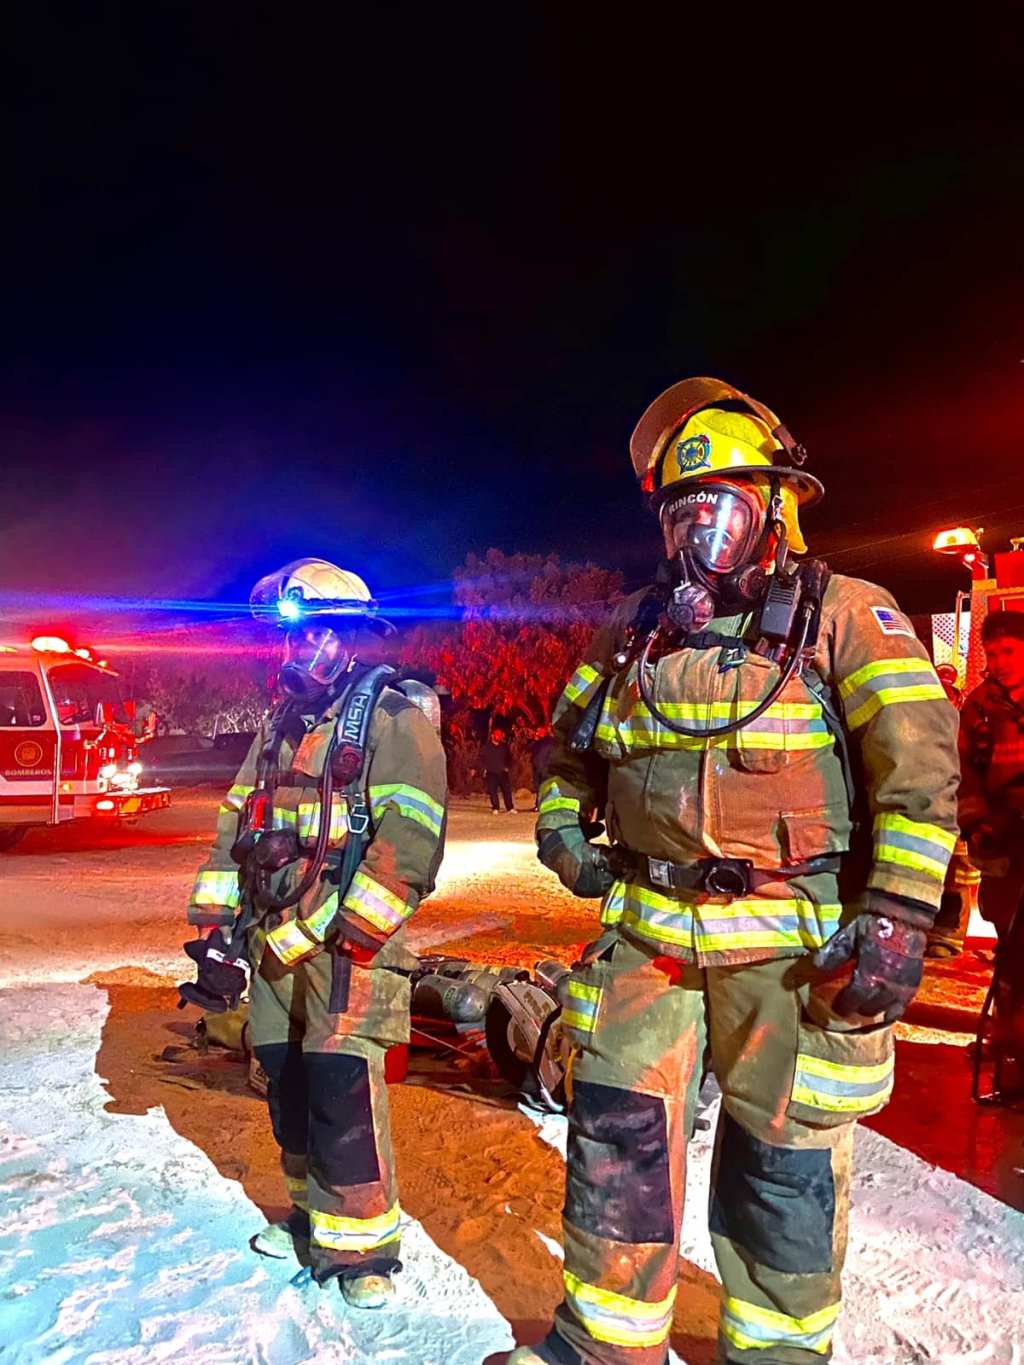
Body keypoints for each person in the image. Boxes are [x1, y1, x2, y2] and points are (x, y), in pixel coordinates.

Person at [514, 378, 959, 1365]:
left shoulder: (846, 617)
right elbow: (562, 755)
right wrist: (560, 829)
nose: (696, 531)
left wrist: (892, 919)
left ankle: (776, 1354)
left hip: (788, 955)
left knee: (781, 1169)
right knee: (617, 1151)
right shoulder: (631, 633)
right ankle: (604, 1343)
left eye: (717, 503)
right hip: (645, 944)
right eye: (680, 510)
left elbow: (919, 780)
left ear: (776, 504)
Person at [179, 558, 447, 1309]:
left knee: (341, 1087)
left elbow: (411, 840)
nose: (297, 654)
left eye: (314, 637)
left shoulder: (395, 718)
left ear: (350, 637)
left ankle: (361, 1252)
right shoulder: (278, 725)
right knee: (281, 1073)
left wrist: (341, 929)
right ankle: (309, 1214)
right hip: (273, 935)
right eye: (289, 642)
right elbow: (236, 821)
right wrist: (216, 927)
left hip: (345, 945)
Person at [958, 611, 1024, 941]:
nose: (1000, 662)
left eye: (1009, 651)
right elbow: (964, 772)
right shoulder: (978, 707)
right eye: (992, 653)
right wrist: (977, 824)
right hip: (1002, 833)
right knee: (1008, 928)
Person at [926, 664, 981, 959]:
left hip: (961, 810)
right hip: (933, 810)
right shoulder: (920, 726)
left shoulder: (967, 723)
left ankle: (948, 936)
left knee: (958, 877)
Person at [482, 725, 516, 813]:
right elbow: (481, 758)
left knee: (507, 791)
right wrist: (483, 769)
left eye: (500, 735)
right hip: (491, 772)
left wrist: (508, 767)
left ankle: (510, 807)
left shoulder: (504, 746)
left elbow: (509, 758)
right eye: (497, 734)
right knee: (493, 791)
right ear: (492, 735)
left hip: (502, 772)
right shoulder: (486, 747)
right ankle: (495, 807)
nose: (499, 736)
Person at [529, 724, 555, 810]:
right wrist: (534, 740)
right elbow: (529, 750)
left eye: (539, 731)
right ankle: (539, 805)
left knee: (545, 788)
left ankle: (545, 805)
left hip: (545, 769)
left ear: (544, 732)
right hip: (537, 768)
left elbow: (550, 755)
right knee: (538, 788)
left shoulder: (549, 741)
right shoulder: (537, 742)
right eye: (537, 731)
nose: (537, 733)